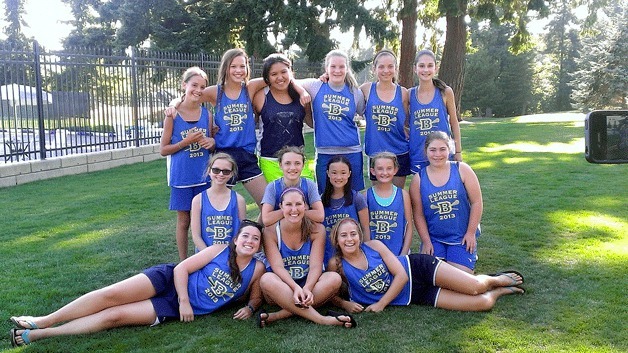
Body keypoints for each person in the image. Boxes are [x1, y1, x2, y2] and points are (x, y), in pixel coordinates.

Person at [9, 221, 267, 347]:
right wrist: (186, 301)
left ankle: (42, 334)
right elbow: (181, 268)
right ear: (235, 239)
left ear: (259, 246)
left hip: (171, 307)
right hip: (169, 281)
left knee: (115, 316)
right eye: (245, 236)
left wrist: (251, 308)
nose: (249, 241)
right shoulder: (218, 250)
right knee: (109, 295)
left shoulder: (256, 268)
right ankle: (45, 319)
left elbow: (255, 296)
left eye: (255, 239)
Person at [328, 218, 524, 314]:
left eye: (353, 233)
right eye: (343, 235)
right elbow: (332, 293)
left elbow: (401, 276)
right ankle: (501, 291)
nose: (349, 239)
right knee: (481, 303)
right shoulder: (336, 264)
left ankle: (495, 279)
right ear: (336, 240)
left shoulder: (374, 246)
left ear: (360, 235)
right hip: (415, 295)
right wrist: (345, 304)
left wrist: (381, 304)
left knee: (476, 287)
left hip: (418, 269)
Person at [258, 187, 356, 328]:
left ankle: (279, 315)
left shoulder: (317, 229)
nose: (294, 209)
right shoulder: (270, 231)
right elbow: (277, 267)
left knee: (334, 278)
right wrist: (295, 288)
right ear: (281, 207)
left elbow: (316, 266)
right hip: (282, 289)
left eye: (298, 204)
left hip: (311, 288)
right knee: (266, 279)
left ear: (305, 206)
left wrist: (308, 288)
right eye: (288, 205)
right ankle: (322, 319)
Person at [159, 66, 215, 260]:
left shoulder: (207, 115)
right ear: (184, 85)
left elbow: (213, 142)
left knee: (204, 220)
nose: (198, 90)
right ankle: (183, 262)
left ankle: (204, 257)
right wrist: (186, 142)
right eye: (194, 85)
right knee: (184, 221)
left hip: (203, 177)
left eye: (202, 86)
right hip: (182, 178)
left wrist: (212, 142)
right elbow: (163, 150)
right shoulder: (172, 114)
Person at [409, 131, 482, 273]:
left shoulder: (462, 169)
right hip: (435, 239)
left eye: (442, 149)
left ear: (449, 150)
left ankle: (492, 281)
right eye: (433, 150)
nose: (437, 154)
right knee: (434, 279)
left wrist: (471, 233)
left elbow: (476, 202)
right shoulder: (418, 179)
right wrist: (426, 241)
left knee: (461, 280)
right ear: (426, 151)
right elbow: (418, 214)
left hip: (461, 238)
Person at [297, 49, 366, 194]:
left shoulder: (355, 92)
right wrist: (302, 92)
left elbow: (366, 114)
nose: (337, 70)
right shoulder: (315, 86)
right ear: (326, 69)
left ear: (347, 69)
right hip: (324, 152)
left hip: (351, 151)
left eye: (341, 67)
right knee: (324, 196)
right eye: (333, 66)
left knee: (354, 196)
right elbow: (289, 80)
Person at [253, 53, 314, 182]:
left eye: (283, 72)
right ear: (267, 77)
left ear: (290, 72)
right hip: (270, 160)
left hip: (297, 160)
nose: (280, 77)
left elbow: (311, 122)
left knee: (306, 199)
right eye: (274, 74)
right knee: (278, 201)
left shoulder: (301, 95)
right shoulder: (261, 96)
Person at [360, 49, 410, 188]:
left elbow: (405, 121)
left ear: (395, 68)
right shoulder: (366, 89)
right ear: (374, 69)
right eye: (381, 66)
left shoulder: (403, 93)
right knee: (378, 198)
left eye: (390, 66)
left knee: (397, 197)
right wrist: (326, 76)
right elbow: (346, 93)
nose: (386, 70)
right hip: (375, 152)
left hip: (399, 151)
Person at [408, 49, 462, 173]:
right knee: (422, 189)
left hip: (442, 152)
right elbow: (405, 122)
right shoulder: (410, 94)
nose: (426, 70)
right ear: (415, 69)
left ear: (436, 68)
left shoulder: (445, 92)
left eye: (430, 66)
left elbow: (454, 122)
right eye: (421, 66)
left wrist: (458, 151)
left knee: (442, 189)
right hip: (419, 153)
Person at [191, 152, 247, 250]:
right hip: (204, 255)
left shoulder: (239, 200)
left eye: (226, 171)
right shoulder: (198, 200)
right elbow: (196, 236)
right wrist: (209, 256)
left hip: (230, 256)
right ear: (209, 171)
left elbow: (241, 233)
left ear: (232, 174)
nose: (220, 174)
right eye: (216, 170)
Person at [321, 155, 370, 265]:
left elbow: (365, 228)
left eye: (343, 173)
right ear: (328, 173)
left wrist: (366, 253)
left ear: (349, 174)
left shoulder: (357, 198)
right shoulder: (320, 201)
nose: (338, 177)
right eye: (334, 173)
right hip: (329, 256)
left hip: (353, 253)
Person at [260, 146, 324, 227]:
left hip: (304, 227)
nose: (292, 168)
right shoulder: (273, 187)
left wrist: (292, 211)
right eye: (287, 163)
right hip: (281, 229)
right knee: (267, 231)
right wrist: (296, 210)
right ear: (280, 165)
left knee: (320, 228)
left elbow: (320, 216)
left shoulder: (309, 184)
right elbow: (266, 219)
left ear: (303, 165)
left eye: (297, 163)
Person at [366, 152, 413, 256]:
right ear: (372, 171)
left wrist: (404, 253)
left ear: (395, 170)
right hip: (374, 255)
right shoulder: (366, 196)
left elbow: (409, 226)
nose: (384, 172)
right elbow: (364, 228)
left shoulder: (403, 195)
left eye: (389, 168)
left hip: (398, 253)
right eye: (380, 169)